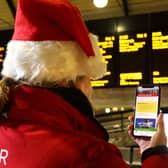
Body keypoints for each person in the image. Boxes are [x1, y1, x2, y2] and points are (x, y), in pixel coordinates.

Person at [0, 0, 167, 167]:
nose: (91, 87)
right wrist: (154, 151)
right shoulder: (90, 155)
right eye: (90, 77)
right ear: (67, 79)